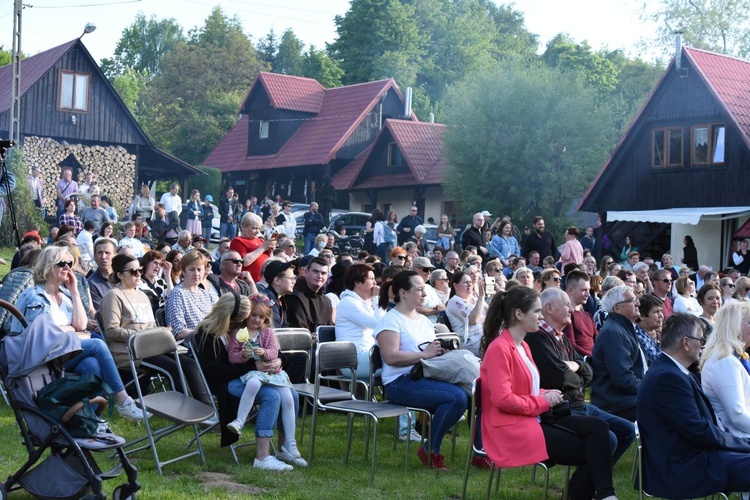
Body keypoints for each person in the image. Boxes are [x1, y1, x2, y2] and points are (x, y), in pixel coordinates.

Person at [480, 286, 617, 500]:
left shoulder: (523, 345)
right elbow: (502, 399)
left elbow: (526, 388)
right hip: (512, 427)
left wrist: (546, 392)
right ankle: (600, 495)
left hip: (532, 417)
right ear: (519, 314)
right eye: (536, 311)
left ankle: (605, 494)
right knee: (596, 449)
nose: (541, 316)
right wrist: (542, 401)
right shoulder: (500, 348)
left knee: (600, 430)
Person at [11, 246, 145, 421]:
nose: (67, 267)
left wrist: (74, 291)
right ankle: (124, 401)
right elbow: (41, 334)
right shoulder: (33, 296)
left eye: (69, 263)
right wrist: (70, 329)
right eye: (62, 264)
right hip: (41, 357)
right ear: (47, 266)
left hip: (64, 353)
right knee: (97, 345)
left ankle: (91, 417)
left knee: (91, 365)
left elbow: (81, 325)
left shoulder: (66, 295)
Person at [637, 313, 750, 498]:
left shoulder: (671, 370)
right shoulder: (668, 377)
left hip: (691, 455)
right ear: (686, 342)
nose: (703, 344)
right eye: (701, 339)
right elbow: (697, 429)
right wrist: (742, 444)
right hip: (681, 467)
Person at [527, 288, 635, 465]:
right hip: (560, 410)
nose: (571, 310)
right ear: (549, 308)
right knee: (609, 439)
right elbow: (560, 378)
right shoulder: (538, 339)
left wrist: (577, 366)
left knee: (627, 430)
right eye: (567, 305)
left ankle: (589, 478)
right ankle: (586, 483)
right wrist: (579, 376)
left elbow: (590, 370)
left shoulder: (561, 337)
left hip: (579, 405)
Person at [195, 294, 301, 471]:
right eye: (242, 319)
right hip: (226, 382)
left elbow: (273, 350)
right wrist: (255, 365)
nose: (246, 322)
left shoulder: (242, 329)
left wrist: (278, 361)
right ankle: (262, 456)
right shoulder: (208, 335)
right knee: (272, 396)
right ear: (230, 317)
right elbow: (217, 372)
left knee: (292, 395)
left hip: (252, 375)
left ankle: (284, 448)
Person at [375, 271, 469, 470]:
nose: (424, 294)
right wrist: (425, 355)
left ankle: (480, 451)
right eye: (419, 289)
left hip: (422, 375)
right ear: (403, 293)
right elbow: (390, 357)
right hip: (398, 383)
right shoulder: (390, 321)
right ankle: (430, 450)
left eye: (424, 289)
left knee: (471, 393)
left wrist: (437, 353)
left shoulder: (424, 321)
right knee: (455, 398)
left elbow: (426, 353)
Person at [101, 254, 208, 402]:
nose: (139, 274)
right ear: (120, 275)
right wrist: (142, 334)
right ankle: (190, 410)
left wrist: (161, 331)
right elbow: (112, 331)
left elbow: (151, 325)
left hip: (152, 345)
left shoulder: (142, 295)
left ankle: (205, 406)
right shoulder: (113, 296)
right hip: (131, 350)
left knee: (189, 364)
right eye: (133, 272)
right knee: (173, 368)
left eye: (140, 269)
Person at [224, 293, 307, 466]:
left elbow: (274, 352)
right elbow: (232, 357)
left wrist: (265, 353)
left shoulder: (267, 333)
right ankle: (240, 421)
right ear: (246, 315)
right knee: (260, 388)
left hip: (271, 374)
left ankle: (289, 444)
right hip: (254, 375)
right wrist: (243, 355)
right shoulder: (239, 333)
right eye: (253, 315)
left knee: (291, 397)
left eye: (261, 317)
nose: (256, 320)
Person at [590, 285, 645, 421]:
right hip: (617, 403)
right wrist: (650, 388)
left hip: (627, 398)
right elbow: (623, 379)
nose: (638, 303)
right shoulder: (613, 333)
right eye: (633, 300)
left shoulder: (624, 328)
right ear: (617, 308)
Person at [700, 302, 750, 440]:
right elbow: (737, 416)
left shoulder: (731, 358)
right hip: (739, 438)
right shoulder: (724, 361)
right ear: (735, 326)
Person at [165, 250, 216, 340]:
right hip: (192, 345)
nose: (196, 274)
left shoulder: (205, 294)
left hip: (210, 339)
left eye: (199, 269)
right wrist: (202, 335)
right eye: (192, 269)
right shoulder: (177, 294)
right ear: (183, 271)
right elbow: (178, 331)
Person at [446, 270, 486, 355]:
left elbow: (491, 312)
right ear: (455, 285)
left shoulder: (474, 299)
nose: (469, 284)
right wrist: (481, 297)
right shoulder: (454, 301)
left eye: (470, 282)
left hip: (483, 335)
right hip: (471, 342)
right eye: (466, 282)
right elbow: (473, 321)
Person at [231, 213, 276, 283]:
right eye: (254, 228)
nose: (258, 231)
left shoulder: (260, 240)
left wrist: (270, 251)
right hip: (248, 283)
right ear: (244, 227)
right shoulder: (238, 241)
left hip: (264, 281)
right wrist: (263, 247)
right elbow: (244, 262)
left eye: (259, 228)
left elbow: (270, 261)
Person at [257, 260, 296, 328]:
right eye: (291, 278)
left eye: (294, 278)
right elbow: (275, 329)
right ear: (277, 280)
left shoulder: (280, 299)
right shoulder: (268, 300)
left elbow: (284, 328)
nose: (294, 282)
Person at [87, 238, 116, 311]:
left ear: (115, 256)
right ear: (95, 257)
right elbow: (100, 312)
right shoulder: (91, 284)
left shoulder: (124, 277)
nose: (103, 257)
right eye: (100, 253)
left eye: (107, 253)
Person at [635, 294, 663, 365]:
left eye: (661, 311)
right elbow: (658, 362)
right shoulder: (638, 337)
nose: (661, 316)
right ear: (641, 316)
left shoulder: (659, 333)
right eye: (656, 312)